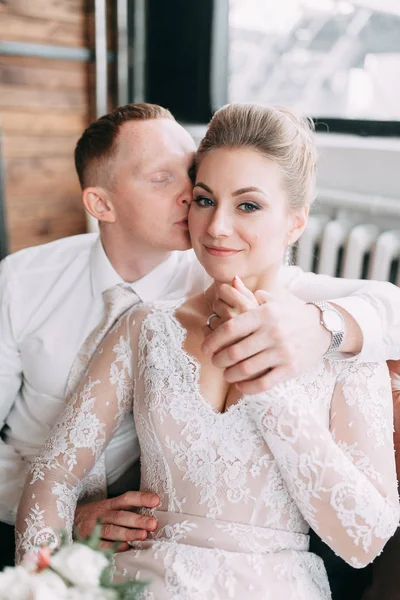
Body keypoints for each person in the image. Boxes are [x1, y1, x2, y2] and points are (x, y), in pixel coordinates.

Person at [15, 103, 400, 599]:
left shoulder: (340, 342)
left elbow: (363, 540)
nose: (216, 227)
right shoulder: (145, 326)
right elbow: (53, 474)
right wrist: (43, 582)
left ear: (295, 222)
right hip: (140, 584)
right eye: (203, 199)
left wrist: (269, 387)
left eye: (248, 205)